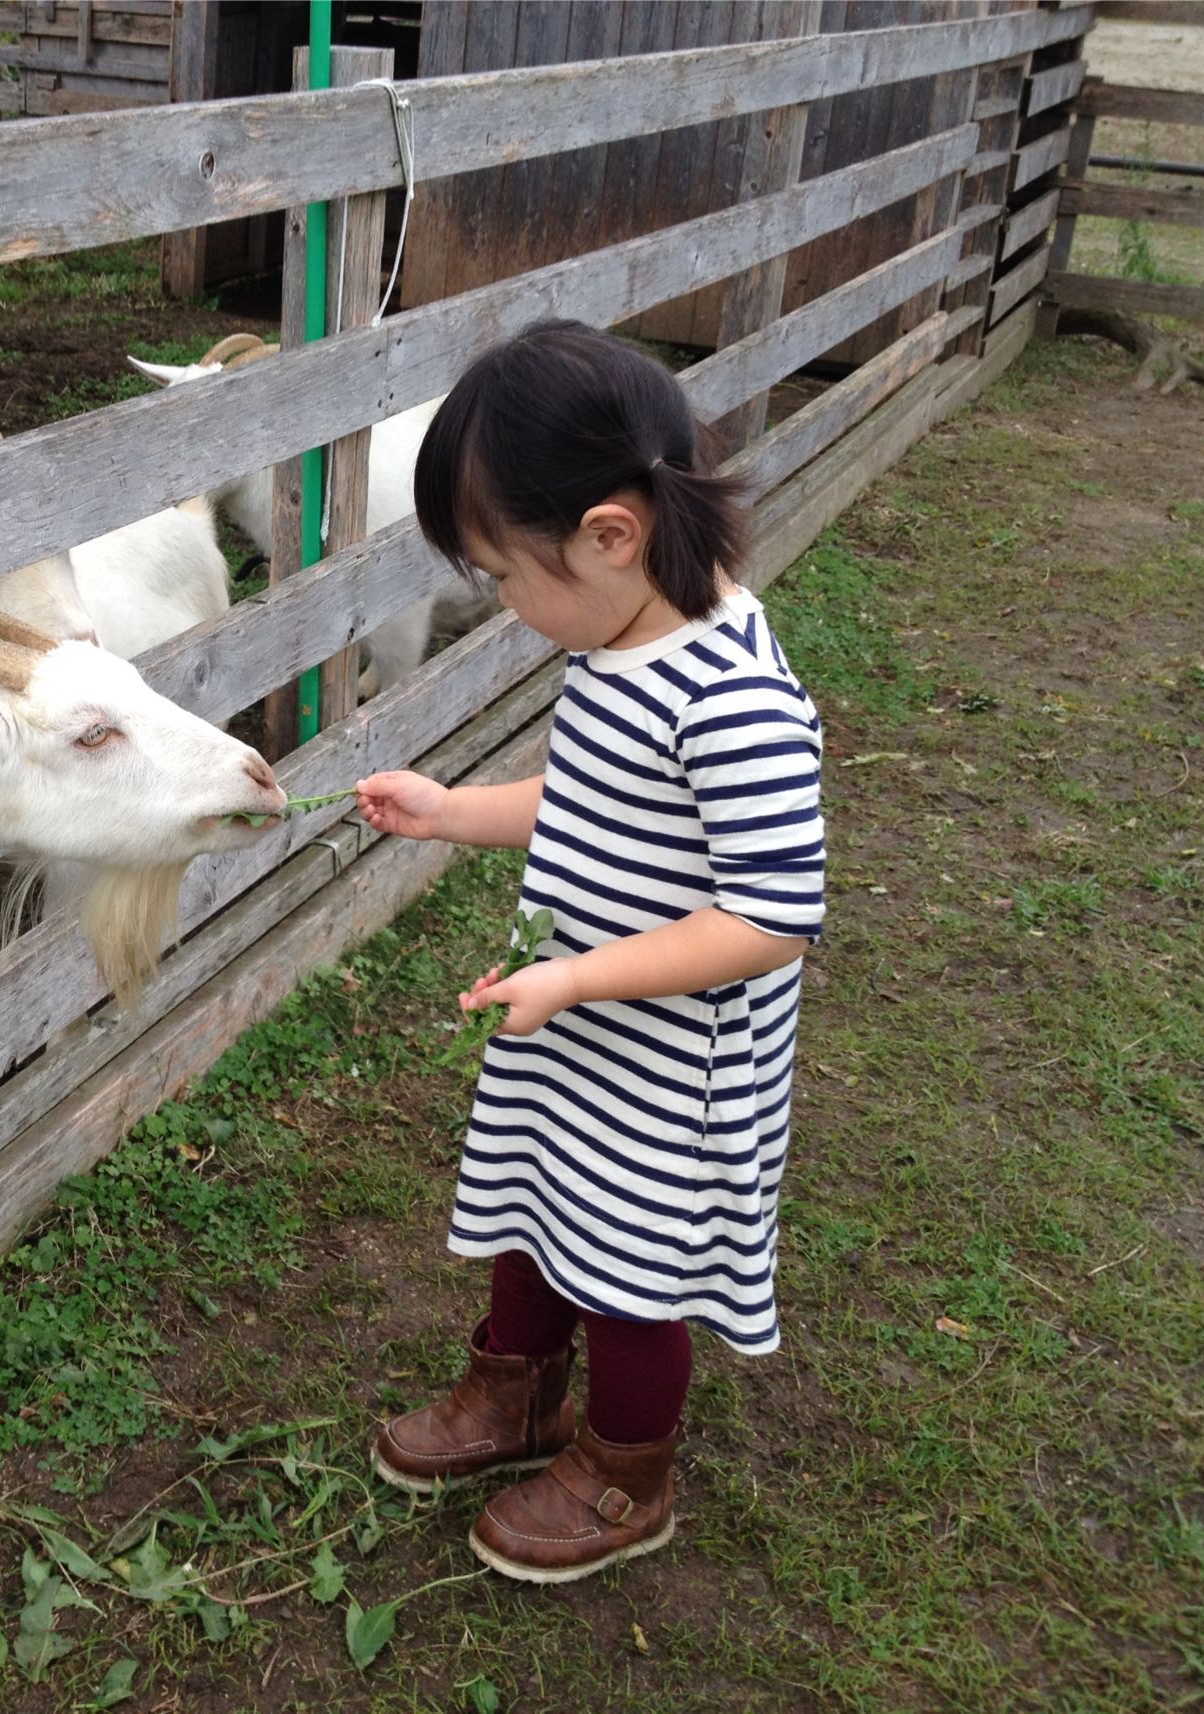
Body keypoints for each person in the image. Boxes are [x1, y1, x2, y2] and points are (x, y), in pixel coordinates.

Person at [352, 320, 825, 1584]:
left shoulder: (730, 699)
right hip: (581, 1024)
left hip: (671, 1063)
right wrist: (454, 809)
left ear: (610, 534)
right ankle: (516, 1393)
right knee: (536, 1193)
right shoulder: (619, 638)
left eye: (505, 575)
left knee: (628, 1263)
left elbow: (772, 916)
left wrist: (573, 977)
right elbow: (588, 799)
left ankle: (627, 1468)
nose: (502, 605)